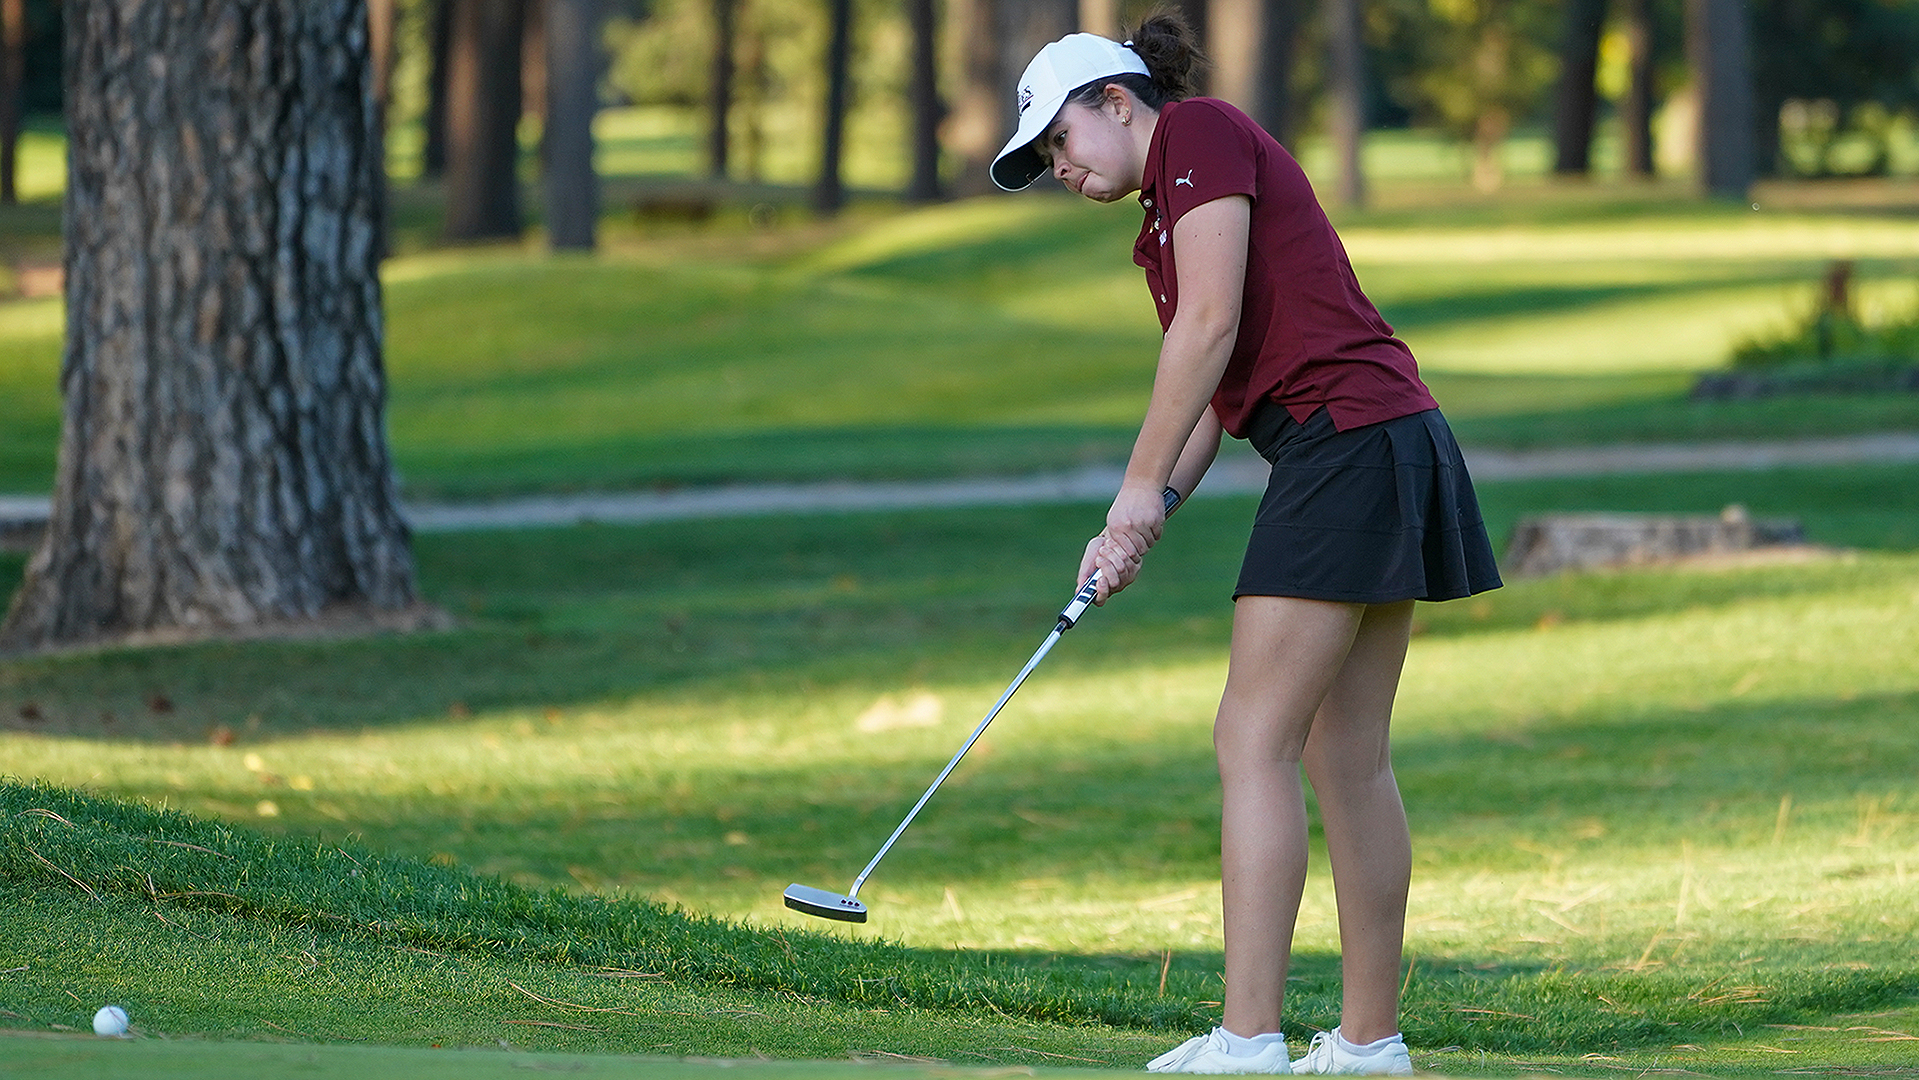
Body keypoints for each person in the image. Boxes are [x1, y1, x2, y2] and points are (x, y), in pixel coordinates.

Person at [990, 12, 1502, 1077]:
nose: (1057, 169)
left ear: (1117, 102)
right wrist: (1138, 521)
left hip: (1346, 445)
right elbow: (1218, 405)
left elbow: (1210, 324)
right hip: (1380, 439)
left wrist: (1133, 486)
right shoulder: (1162, 227)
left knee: (1252, 739)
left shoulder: (1200, 135)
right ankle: (1369, 1046)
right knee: (1341, 757)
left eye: (1059, 142)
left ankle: (1249, 1038)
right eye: (1041, 159)